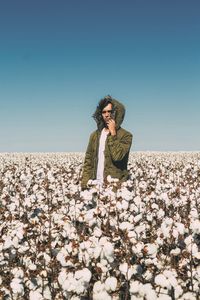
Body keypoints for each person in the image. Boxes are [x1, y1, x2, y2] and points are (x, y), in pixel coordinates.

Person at [81, 95, 132, 189]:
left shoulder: (126, 135)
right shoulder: (94, 136)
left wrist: (113, 133)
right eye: (104, 112)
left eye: (110, 111)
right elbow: (89, 160)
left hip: (115, 187)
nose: (107, 114)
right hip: (96, 185)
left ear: (116, 112)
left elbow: (117, 156)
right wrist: (84, 184)